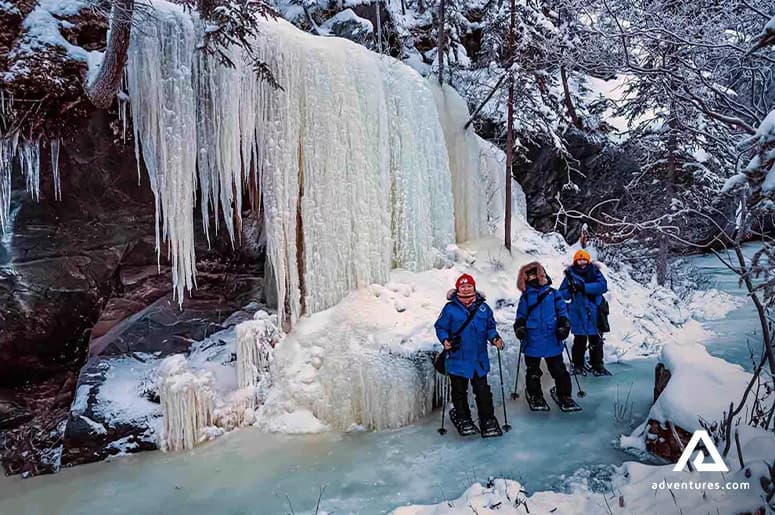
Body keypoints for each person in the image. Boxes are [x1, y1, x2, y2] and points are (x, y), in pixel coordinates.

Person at [434, 273, 504, 437]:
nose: (466, 289)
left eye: (469, 286)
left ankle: (487, 419)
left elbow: (490, 327)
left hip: (478, 359)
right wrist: (444, 340)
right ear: (458, 289)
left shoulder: (483, 308)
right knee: (459, 391)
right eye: (462, 286)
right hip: (458, 358)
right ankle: (463, 418)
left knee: (483, 391)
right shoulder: (450, 308)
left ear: (474, 287)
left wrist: (495, 338)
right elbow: (440, 327)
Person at [513, 262, 574, 409]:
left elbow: (562, 312)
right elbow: (520, 316)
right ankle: (535, 395)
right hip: (532, 339)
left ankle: (564, 394)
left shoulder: (554, 294)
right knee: (533, 371)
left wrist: (564, 325)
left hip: (552, 337)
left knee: (559, 370)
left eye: (538, 275)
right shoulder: (526, 297)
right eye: (531, 276)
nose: (536, 278)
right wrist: (519, 327)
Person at [558, 249, 609, 376]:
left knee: (596, 339)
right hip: (578, 312)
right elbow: (562, 294)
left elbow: (603, 286)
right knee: (579, 340)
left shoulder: (595, 272)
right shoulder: (570, 275)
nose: (582, 263)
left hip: (593, 311)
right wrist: (570, 290)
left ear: (588, 260)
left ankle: (597, 364)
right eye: (579, 260)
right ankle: (578, 364)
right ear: (576, 261)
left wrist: (584, 287)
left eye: (584, 260)